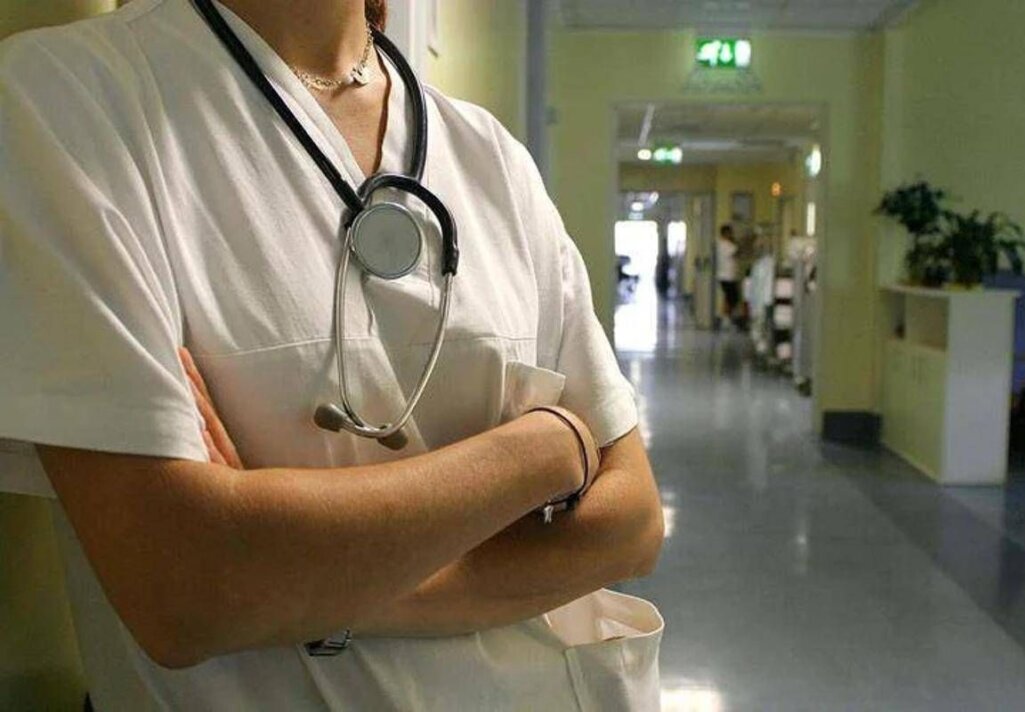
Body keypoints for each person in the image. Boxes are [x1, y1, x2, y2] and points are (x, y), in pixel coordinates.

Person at [0, 0, 664, 708]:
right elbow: (184, 588)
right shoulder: (68, 93)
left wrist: (288, 589)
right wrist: (545, 448)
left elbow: (631, 524)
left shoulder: (490, 155)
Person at [716, 223, 741, 328]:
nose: (731, 235)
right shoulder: (726, 245)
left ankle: (726, 318)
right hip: (728, 276)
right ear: (726, 233)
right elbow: (737, 252)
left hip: (724, 275)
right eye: (730, 233)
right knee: (731, 298)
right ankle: (725, 318)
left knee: (728, 297)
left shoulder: (720, 244)